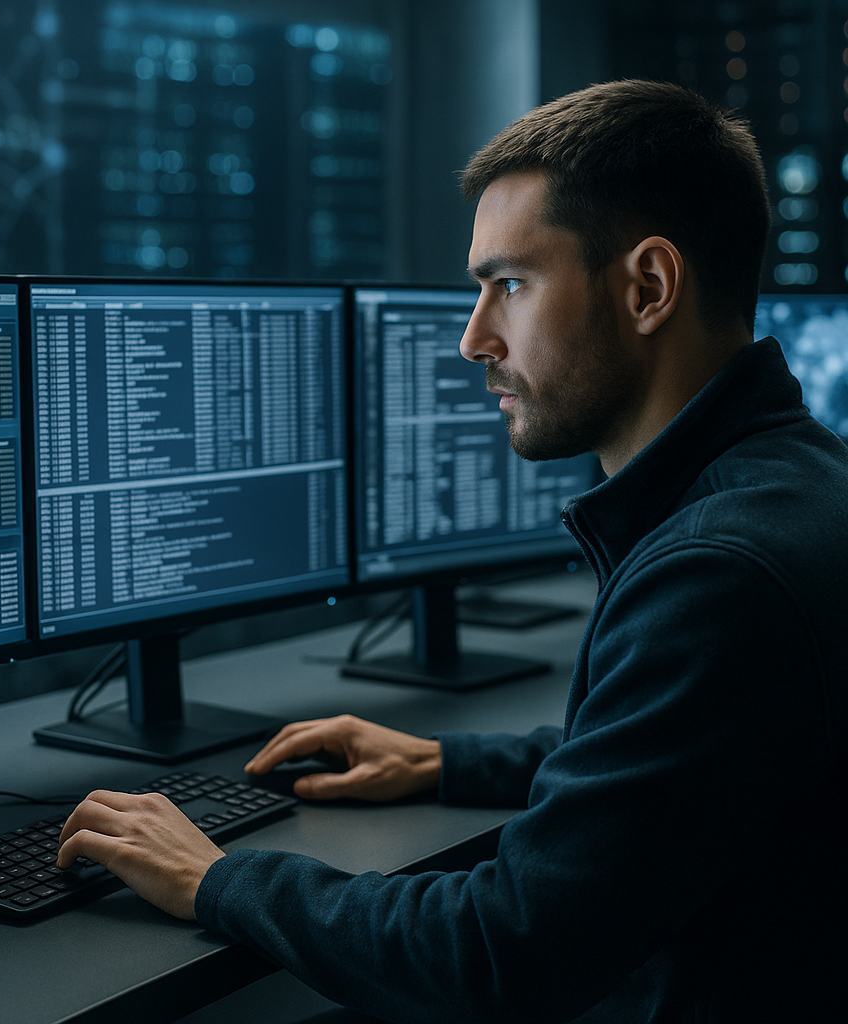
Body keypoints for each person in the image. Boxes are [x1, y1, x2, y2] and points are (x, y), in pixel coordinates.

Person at [58, 81, 847, 1022]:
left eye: (508, 283)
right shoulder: (796, 485)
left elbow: (496, 954)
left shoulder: (717, 573)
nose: (475, 338)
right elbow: (684, 759)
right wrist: (447, 761)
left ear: (648, 287)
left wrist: (217, 879)